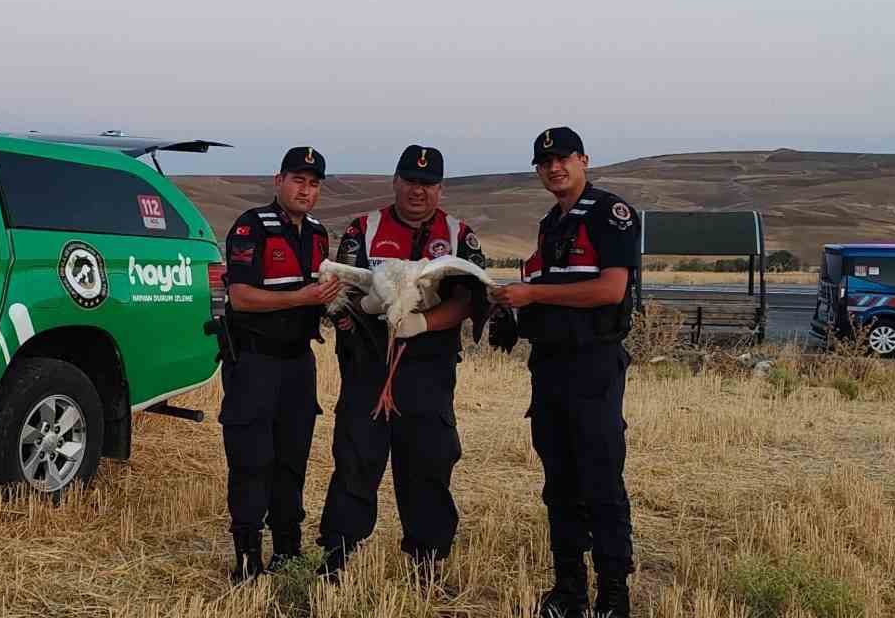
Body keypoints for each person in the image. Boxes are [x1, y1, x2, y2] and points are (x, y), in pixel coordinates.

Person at [317, 144, 487, 580]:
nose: (418, 191)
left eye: (428, 184)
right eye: (411, 181)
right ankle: (336, 558)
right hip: (368, 369)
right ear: (395, 181)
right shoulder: (363, 229)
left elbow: (471, 299)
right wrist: (355, 320)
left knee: (428, 465)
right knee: (356, 460)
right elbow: (343, 291)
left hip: (428, 372)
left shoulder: (458, 235)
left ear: (440, 189)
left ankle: (427, 563)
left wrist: (424, 323)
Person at [491, 127, 639, 618]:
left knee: (600, 481)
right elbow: (548, 287)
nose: (555, 167)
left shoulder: (609, 214)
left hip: (593, 365)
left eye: (563, 158)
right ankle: (568, 590)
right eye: (545, 161)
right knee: (559, 483)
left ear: (584, 160)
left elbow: (610, 290)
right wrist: (515, 314)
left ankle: (614, 596)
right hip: (549, 366)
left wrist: (533, 296)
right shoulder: (549, 225)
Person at [219, 146, 342, 583]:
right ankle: (247, 556)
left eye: (313, 183)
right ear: (279, 181)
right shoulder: (251, 226)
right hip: (254, 361)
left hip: (298, 364)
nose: (305, 190)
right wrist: (302, 298)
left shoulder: (318, 233)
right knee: (252, 459)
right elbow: (241, 297)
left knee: (293, 458)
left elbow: (324, 294)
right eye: (298, 180)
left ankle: (287, 549)